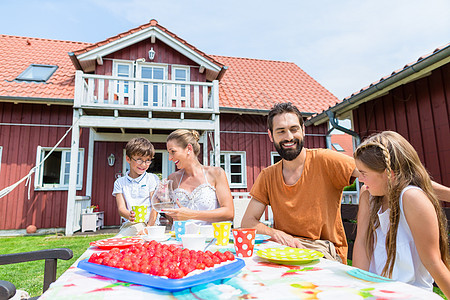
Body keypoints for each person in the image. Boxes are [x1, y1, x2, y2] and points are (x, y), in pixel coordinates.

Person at [241, 102, 358, 263]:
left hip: (323, 254)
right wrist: (276, 234)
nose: (288, 137)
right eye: (281, 131)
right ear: (271, 135)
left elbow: (367, 171)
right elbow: (247, 222)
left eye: (294, 129)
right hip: (285, 251)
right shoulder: (267, 175)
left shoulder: (325, 159)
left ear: (303, 130)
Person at [352, 131, 450, 296]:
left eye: (364, 173)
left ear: (388, 174)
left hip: (410, 293)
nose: (360, 179)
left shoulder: (412, 198)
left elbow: (433, 262)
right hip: (374, 290)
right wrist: (355, 289)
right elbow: (363, 243)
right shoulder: (367, 195)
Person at [162, 129, 234, 225]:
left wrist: (192, 214)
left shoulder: (216, 173)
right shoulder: (172, 178)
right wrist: (164, 201)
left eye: (173, 152)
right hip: (180, 237)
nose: (170, 158)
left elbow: (229, 213)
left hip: (209, 238)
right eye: (169, 153)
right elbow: (173, 220)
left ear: (189, 149)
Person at [112, 137, 160, 237]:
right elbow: (121, 209)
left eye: (147, 161)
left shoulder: (152, 179)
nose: (143, 165)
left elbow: (155, 207)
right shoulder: (120, 182)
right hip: (130, 224)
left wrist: (148, 228)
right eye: (139, 160)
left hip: (150, 224)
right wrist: (128, 214)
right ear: (128, 159)